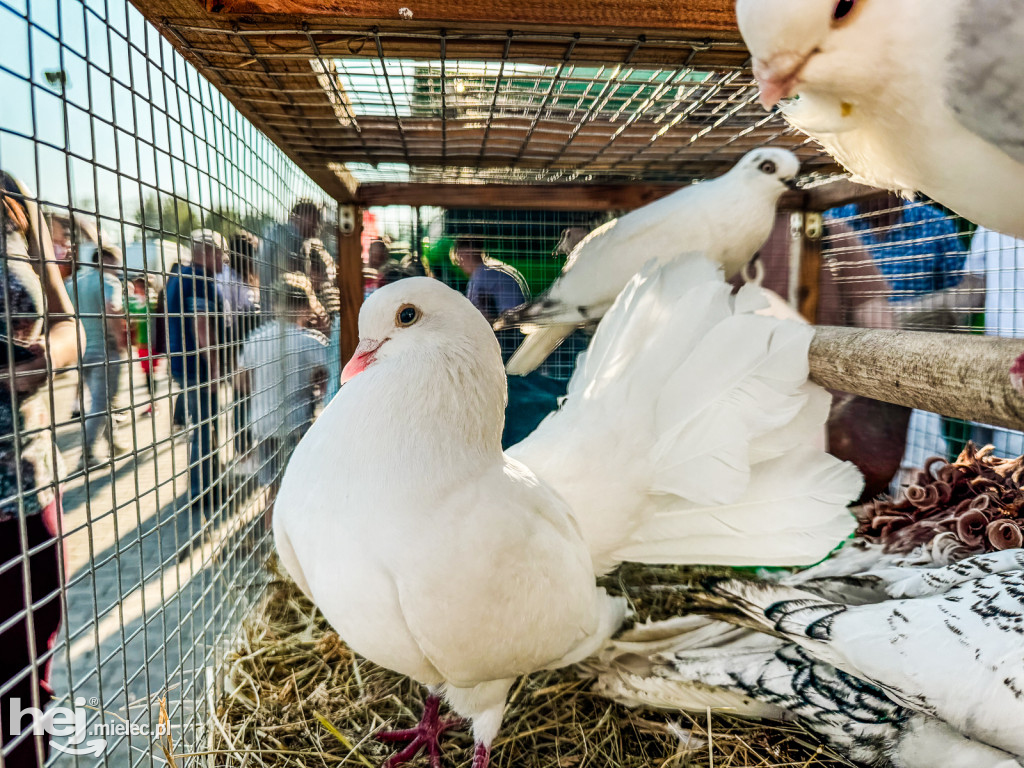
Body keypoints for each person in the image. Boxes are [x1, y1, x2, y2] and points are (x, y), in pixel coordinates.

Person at [0, 172, 82, 767]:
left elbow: (67, 321)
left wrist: (42, 358)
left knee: (29, 660)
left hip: (28, 484)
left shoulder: (8, 193)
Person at [236, 273, 328, 489]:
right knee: (297, 486)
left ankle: (271, 522)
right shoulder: (310, 342)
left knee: (272, 487)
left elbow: (240, 382)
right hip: (296, 424)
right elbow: (325, 378)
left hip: (262, 422)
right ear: (306, 306)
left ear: (276, 304)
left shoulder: (255, 338)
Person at [166, 229, 226, 513]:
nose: (225, 261)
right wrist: (214, 368)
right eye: (222, 254)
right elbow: (202, 327)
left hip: (181, 364)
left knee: (203, 426)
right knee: (204, 428)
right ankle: (201, 492)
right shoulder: (201, 280)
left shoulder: (177, 278)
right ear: (209, 252)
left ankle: (209, 484)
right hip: (198, 368)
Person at [70, 243, 130, 468]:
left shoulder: (74, 282)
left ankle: (113, 443)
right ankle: (85, 455)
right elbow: (111, 310)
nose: (118, 268)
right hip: (105, 351)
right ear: (106, 259)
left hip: (81, 350)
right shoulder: (108, 281)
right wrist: (121, 341)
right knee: (100, 404)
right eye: (116, 262)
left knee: (102, 401)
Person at [451, 238, 529, 362]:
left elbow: (478, 316)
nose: (460, 263)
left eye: (459, 257)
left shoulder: (481, 277)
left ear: (467, 253)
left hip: (505, 337)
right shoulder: (495, 271)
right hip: (517, 333)